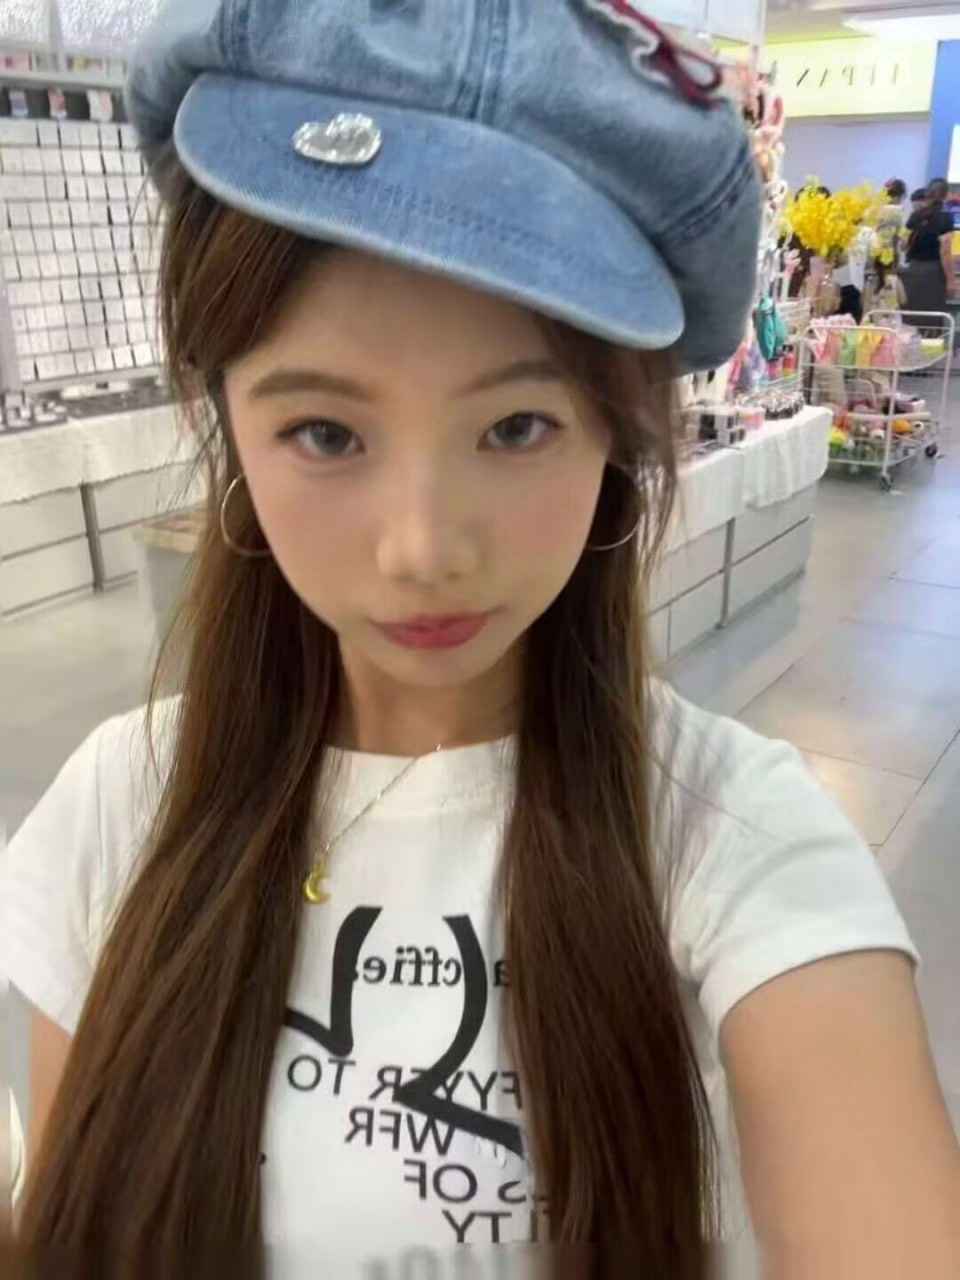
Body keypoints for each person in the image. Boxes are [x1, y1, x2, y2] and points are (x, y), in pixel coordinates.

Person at [3, 2, 959, 1277]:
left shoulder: (732, 840)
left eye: (515, 427)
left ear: (617, 432)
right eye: (326, 433)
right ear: (223, 416)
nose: (422, 547)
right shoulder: (118, 814)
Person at [904, 177, 956, 313]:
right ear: (945, 195)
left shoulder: (915, 216)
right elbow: (945, 252)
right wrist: (951, 280)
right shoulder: (945, 218)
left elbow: (904, 244)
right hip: (934, 272)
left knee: (912, 312)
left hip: (913, 269)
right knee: (931, 315)